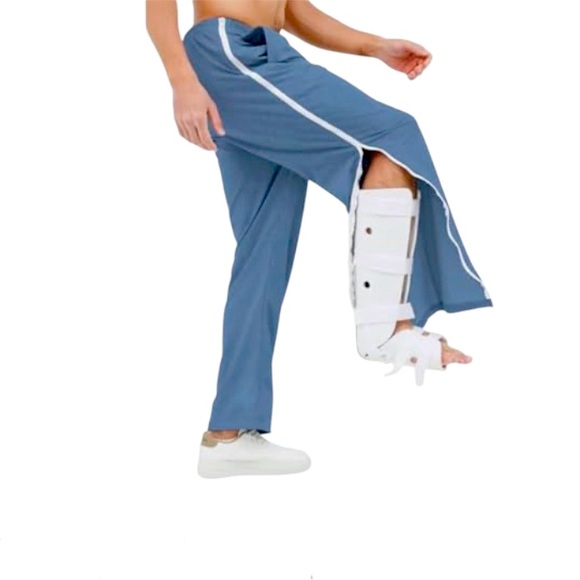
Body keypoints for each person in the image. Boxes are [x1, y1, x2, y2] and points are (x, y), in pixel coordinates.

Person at [146, 0, 492, 478]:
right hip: (230, 53)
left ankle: (228, 434)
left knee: (263, 248)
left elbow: (288, 10)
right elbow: (159, 6)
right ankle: (388, 328)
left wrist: (373, 46)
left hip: (264, 53)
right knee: (392, 135)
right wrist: (181, 80)